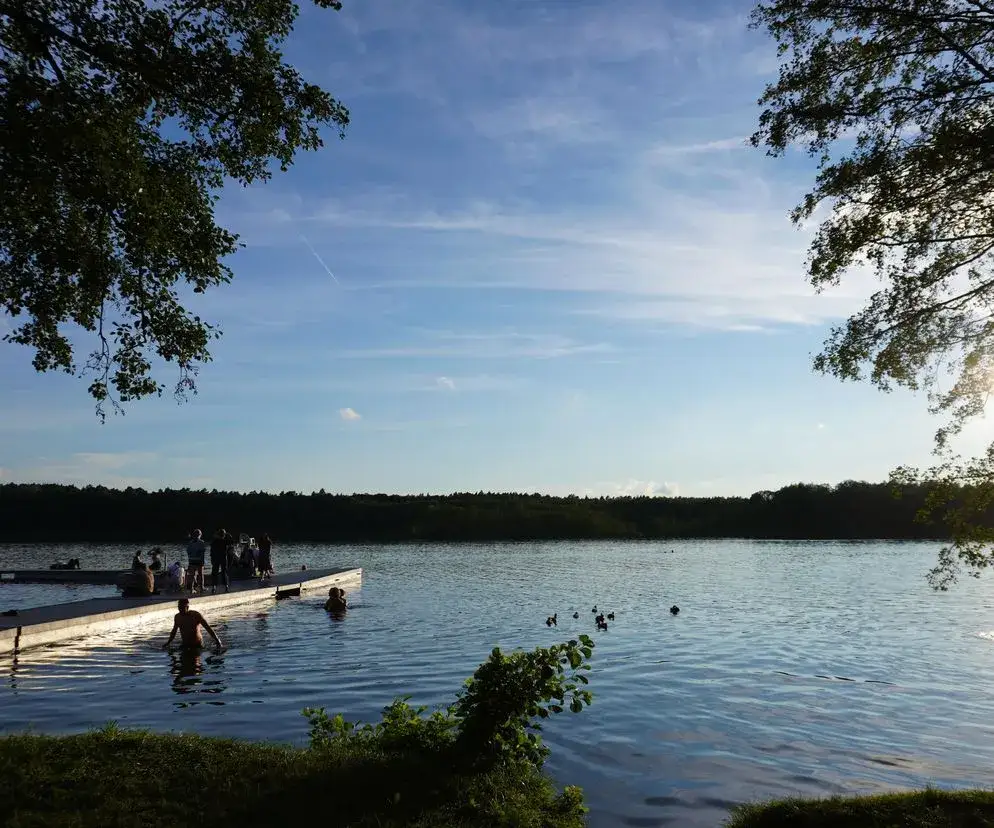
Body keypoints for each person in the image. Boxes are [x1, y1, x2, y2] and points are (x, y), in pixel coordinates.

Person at [209, 529, 230, 595]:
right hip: (223, 558)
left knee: (214, 572)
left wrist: (212, 559)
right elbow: (232, 541)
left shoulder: (214, 541)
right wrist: (228, 534)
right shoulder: (225, 541)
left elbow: (211, 551)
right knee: (224, 572)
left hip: (216, 558)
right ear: (224, 535)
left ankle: (214, 587)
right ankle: (226, 586)